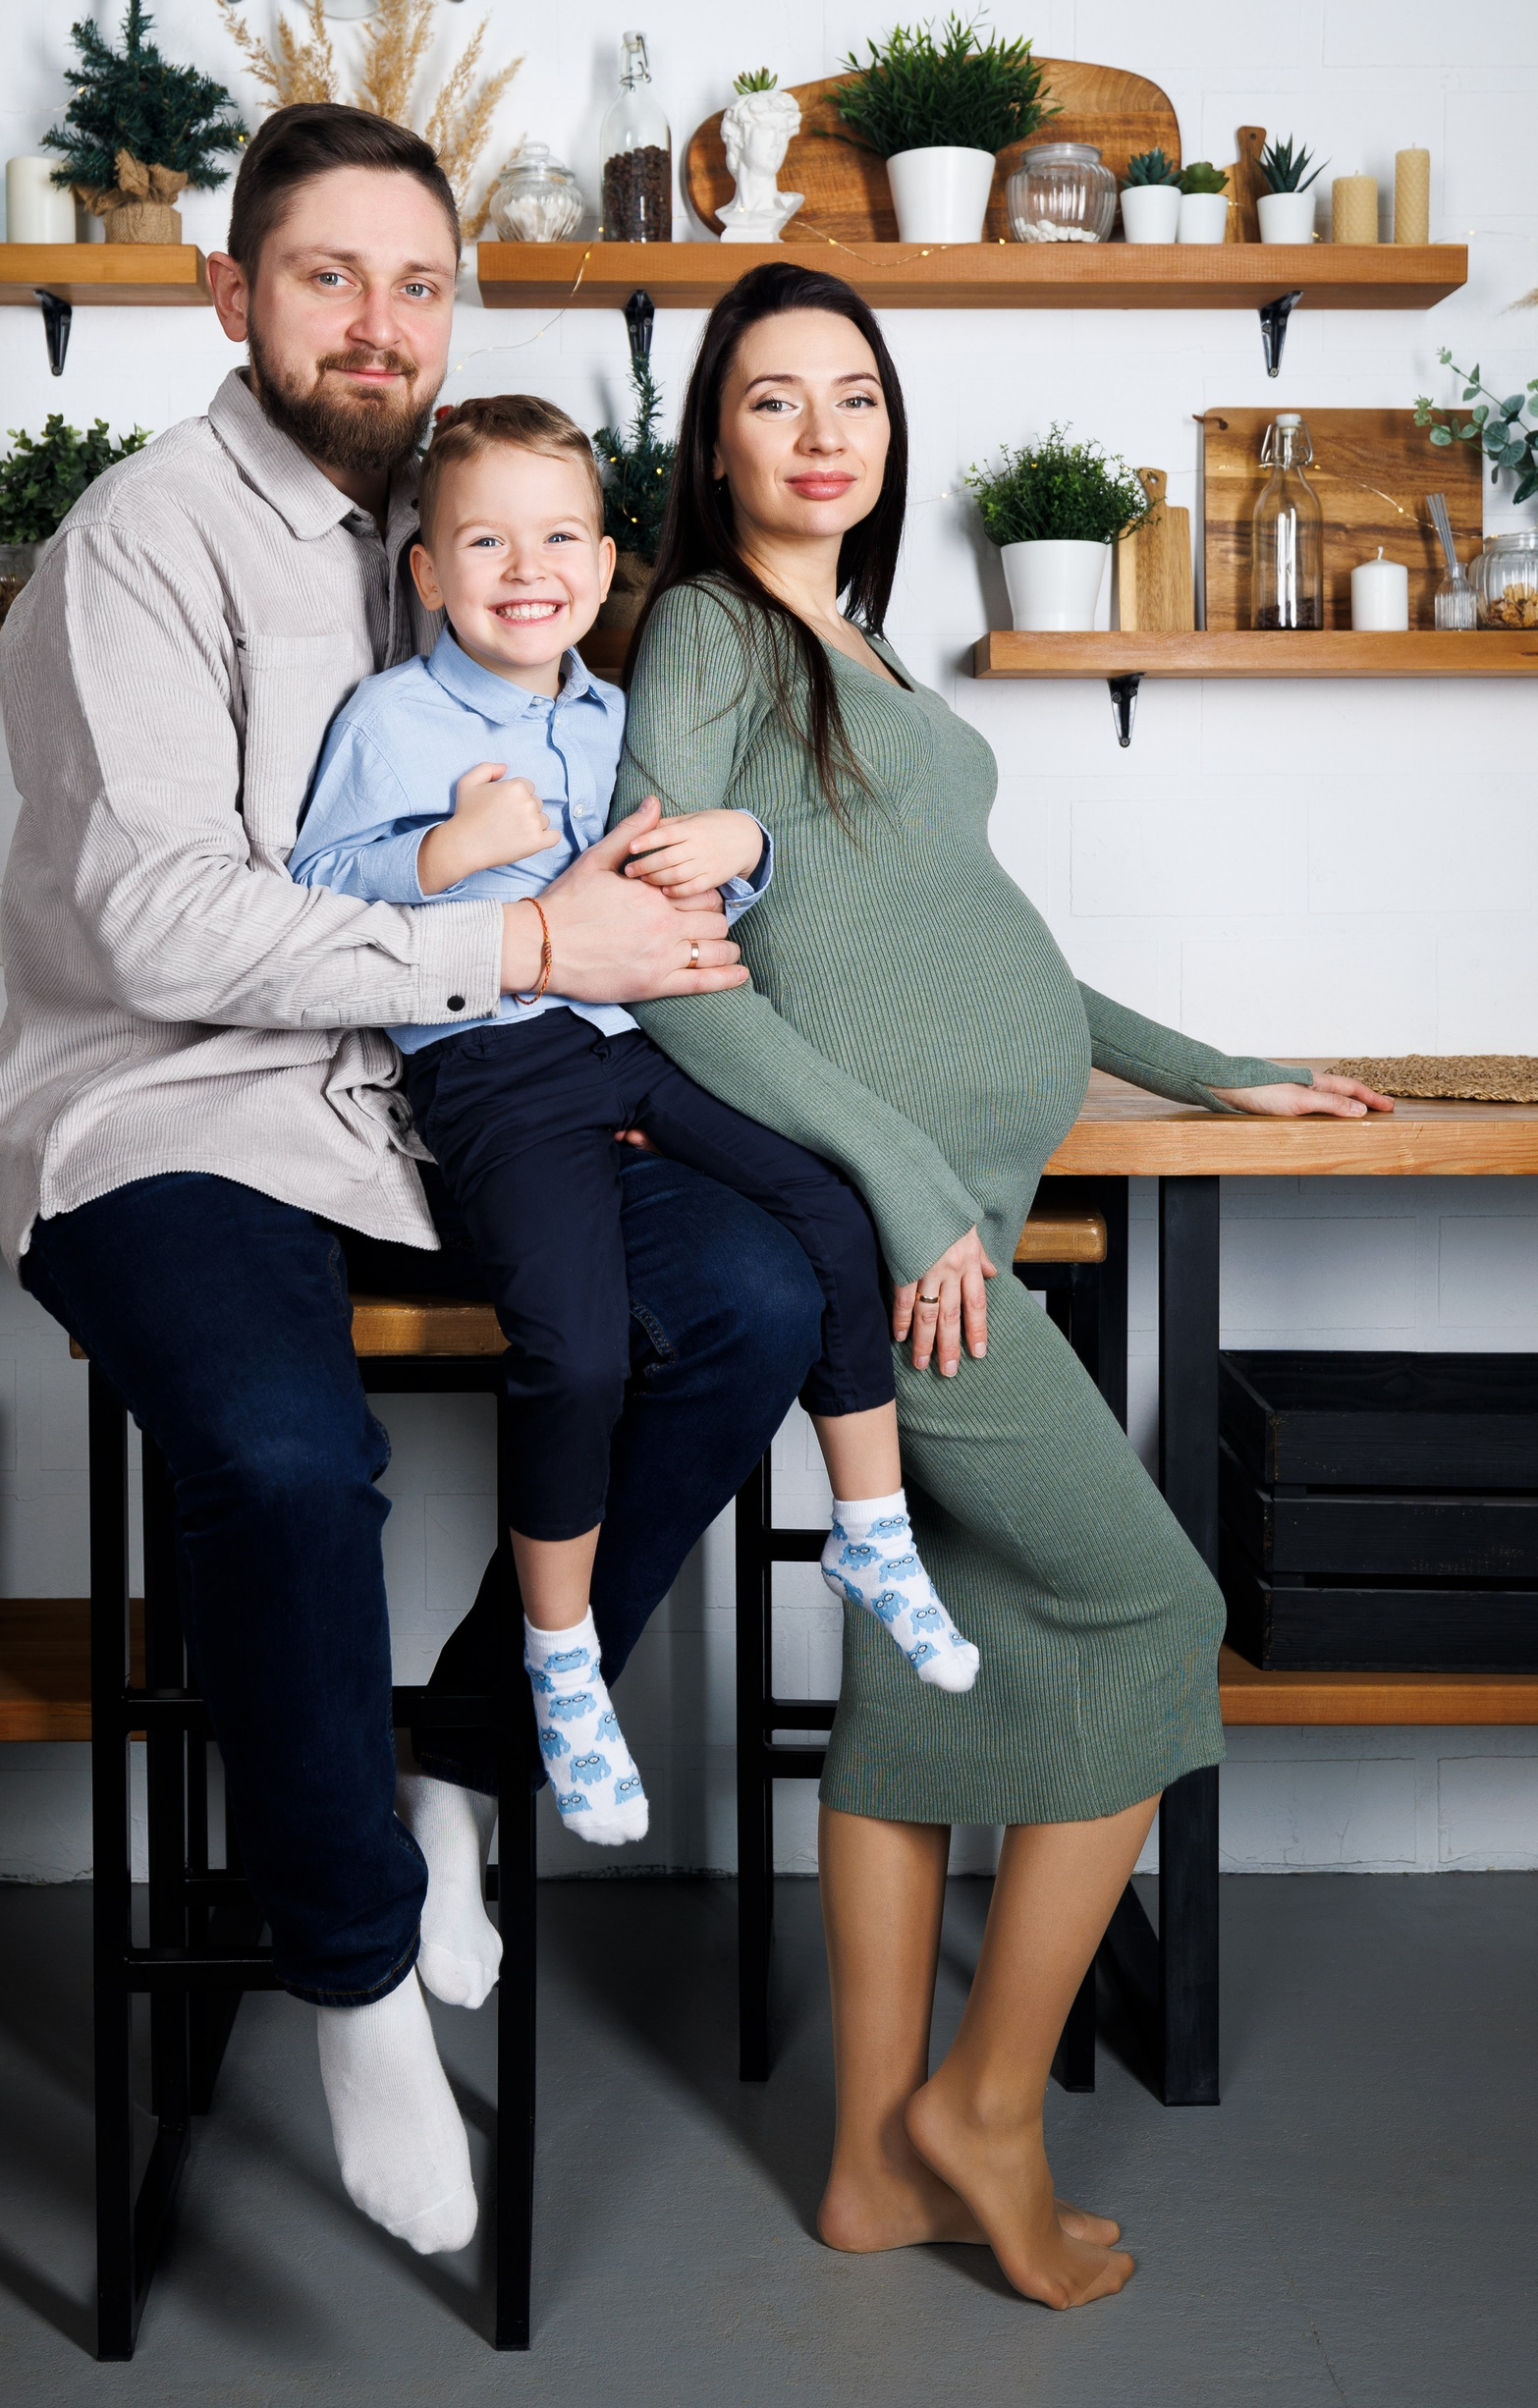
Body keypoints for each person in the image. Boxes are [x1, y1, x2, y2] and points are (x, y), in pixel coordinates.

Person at [0, 109, 831, 2264]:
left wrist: (692, 880)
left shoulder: (462, 529)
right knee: (282, 1458)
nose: (381, 324)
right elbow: (164, 921)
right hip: (176, 1106)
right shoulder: (146, 543)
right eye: (329, 276)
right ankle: (352, 1973)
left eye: (420, 282)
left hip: (439, 1100)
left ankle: (466, 1739)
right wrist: (531, 935)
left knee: (751, 1302)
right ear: (230, 294)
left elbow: (646, 791)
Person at [612, 259, 1394, 2311]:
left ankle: (873, 2167)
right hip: (908, 1240)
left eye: (854, 397)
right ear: (713, 442)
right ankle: (985, 2106)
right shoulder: (706, 629)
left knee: (919, 1671)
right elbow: (664, 958)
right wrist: (902, 1189)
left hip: (951, 1210)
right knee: (1157, 1606)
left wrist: (1221, 1067)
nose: (822, 434)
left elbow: (979, 933)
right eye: (773, 399)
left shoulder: (858, 651)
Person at [290, 394, 977, 1851]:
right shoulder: (392, 717)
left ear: (605, 570)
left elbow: (685, 865)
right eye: (485, 542)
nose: (525, 569)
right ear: (427, 570)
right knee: (580, 1346)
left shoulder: (612, 716)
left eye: (559, 541)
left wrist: (747, 846)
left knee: (828, 1206)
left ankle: (874, 1537)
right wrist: (445, 851)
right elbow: (318, 885)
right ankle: (558, 1662)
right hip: (493, 1067)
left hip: (634, 1044)